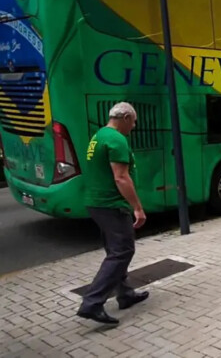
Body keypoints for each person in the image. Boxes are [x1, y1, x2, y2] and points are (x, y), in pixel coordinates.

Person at [77, 102, 149, 325]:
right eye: (134, 121)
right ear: (126, 117)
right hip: (111, 204)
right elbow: (121, 177)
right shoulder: (117, 139)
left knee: (114, 250)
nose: (134, 126)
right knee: (122, 251)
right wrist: (137, 207)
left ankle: (125, 294)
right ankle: (92, 303)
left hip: (96, 202)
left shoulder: (99, 135)